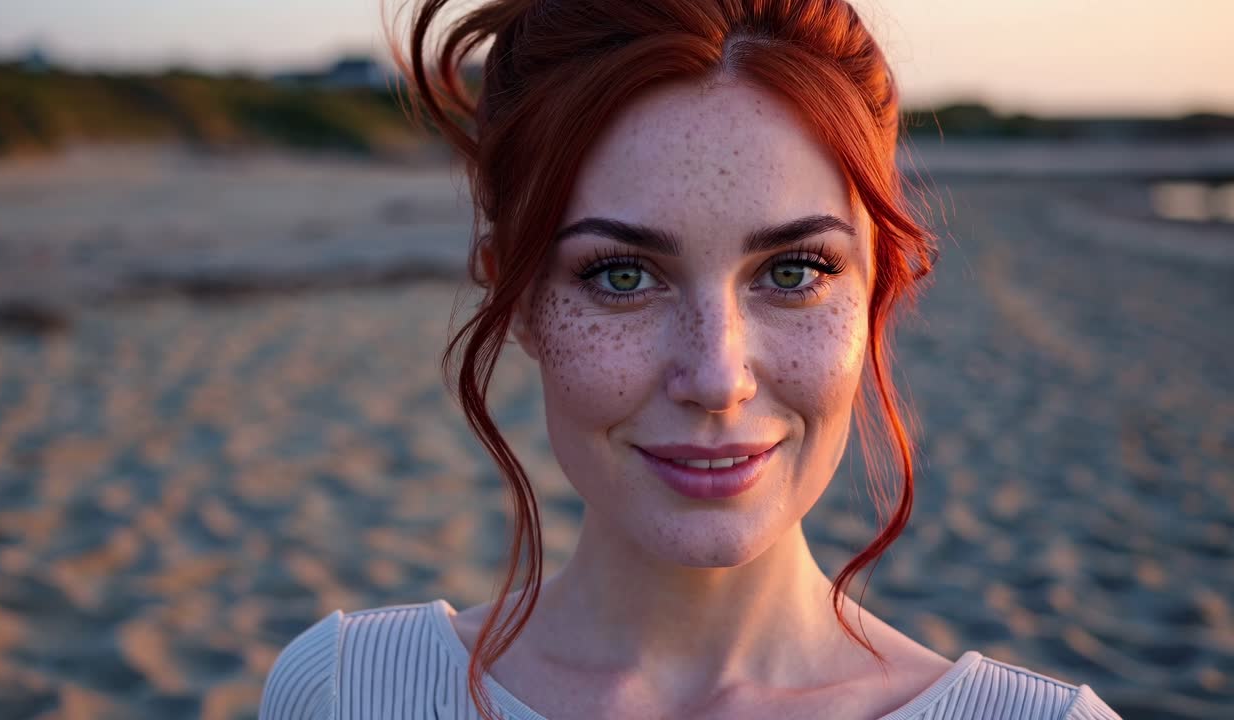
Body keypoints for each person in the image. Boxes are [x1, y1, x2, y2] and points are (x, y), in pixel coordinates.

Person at [258, 1, 1121, 718]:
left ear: (877, 290)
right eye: (622, 275)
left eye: (795, 271)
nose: (716, 376)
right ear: (517, 299)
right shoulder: (347, 690)